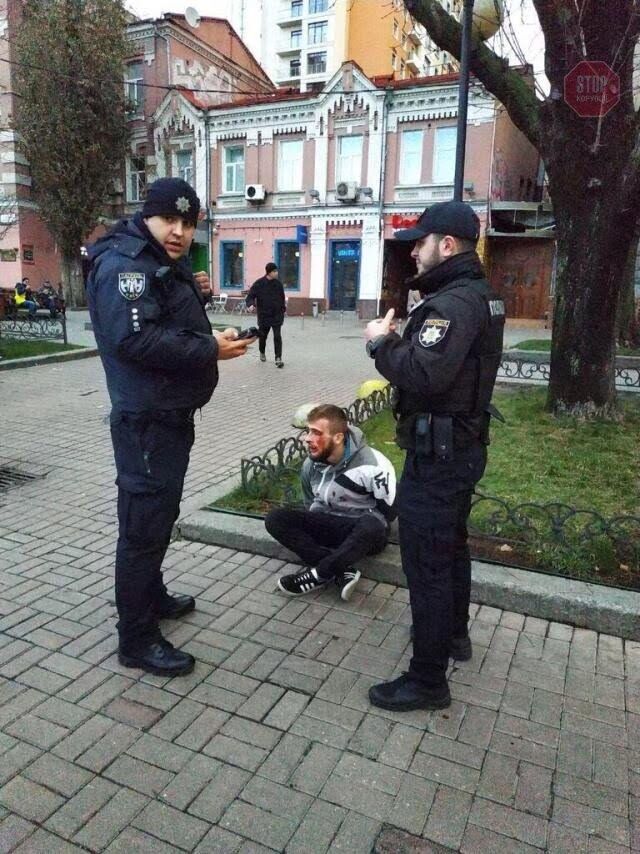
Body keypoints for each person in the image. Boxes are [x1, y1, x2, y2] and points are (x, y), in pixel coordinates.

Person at [86, 177, 254, 677]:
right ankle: (136, 639)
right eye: (170, 220)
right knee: (141, 530)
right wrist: (210, 348)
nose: (179, 231)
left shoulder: (156, 260)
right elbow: (133, 342)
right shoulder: (126, 265)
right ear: (148, 216)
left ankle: (151, 595)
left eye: (187, 222)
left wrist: (209, 335)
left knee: (157, 518)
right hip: (146, 423)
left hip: (166, 417)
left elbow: (164, 325)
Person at [363, 201, 505, 711]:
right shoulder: (479, 296)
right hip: (461, 447)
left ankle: (427, 680)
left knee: (426, 563)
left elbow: (424, 374)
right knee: (452, 548)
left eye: (420, 243)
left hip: (439, 455)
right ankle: (453, 637)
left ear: (447, 245)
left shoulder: (452, 304)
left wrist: (380, 345)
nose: (414, 252)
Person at [267, 404, 396, 601]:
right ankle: (340, 570)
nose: (307, 438)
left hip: (361, 532)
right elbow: (310, 501)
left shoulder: (371, 466)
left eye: (316, 433)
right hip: (330, 525)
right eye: (308, 431)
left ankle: (317, 575)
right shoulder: (311, 464)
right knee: (276, 518)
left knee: (373, 525)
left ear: (337, 437)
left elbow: (388, 512)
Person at [245, 262, 286, 367]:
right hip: (264, 316)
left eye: (276, 271)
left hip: (276, 315)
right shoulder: (259, 283)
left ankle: (278, 358)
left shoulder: (278, 284)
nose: (276, 273)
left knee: (277, 336)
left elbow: (282, 298)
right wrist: (250, 305)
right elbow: (250, 296)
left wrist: (283, 310)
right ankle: (262, 352)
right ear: (269, 272)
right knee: (263, 336)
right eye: (274, 271)